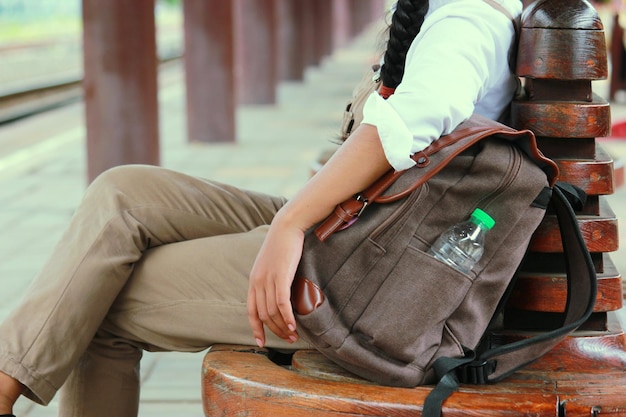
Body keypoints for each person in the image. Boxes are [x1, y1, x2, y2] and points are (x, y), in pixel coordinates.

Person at [0, 0, 521, 415]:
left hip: (361, 281)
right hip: (353, 227)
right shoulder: (438, 11)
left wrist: (290, 223)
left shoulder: (466, 20)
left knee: (94, 306)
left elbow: (403, 130)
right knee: (122, 193)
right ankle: (6, 379)